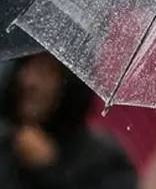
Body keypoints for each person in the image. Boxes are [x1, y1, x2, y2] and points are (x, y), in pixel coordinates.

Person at [0, 52, 137, 189]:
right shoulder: (5, 144)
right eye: (24, 68)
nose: (29, 82)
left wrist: (49, 171)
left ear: (66, 82)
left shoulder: (104, 160)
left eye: (44, 71)